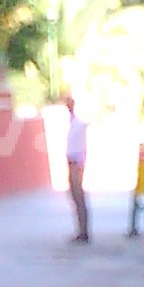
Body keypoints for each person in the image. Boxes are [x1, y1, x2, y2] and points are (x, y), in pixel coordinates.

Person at [61, 87, 92, 242]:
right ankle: (81, 229)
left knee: (78, 195)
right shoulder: (72, 121)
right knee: (74, 195)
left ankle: (84, 231)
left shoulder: (79, 121)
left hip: (77, 161)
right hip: (72, 160)